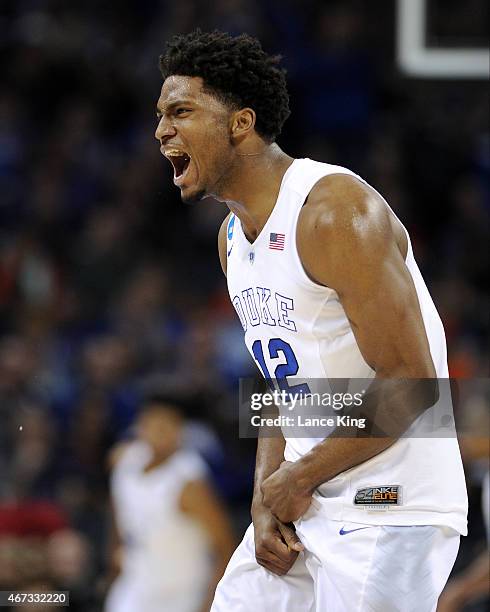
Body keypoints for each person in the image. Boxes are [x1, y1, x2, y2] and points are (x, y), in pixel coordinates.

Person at [155, 30, 468, 612]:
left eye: (180, 111)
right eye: (160, 115)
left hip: (389, 503)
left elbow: (412, 384)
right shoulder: (231, 240)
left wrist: (296, 480)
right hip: (306, 501)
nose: (161, 132)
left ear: (240, 123)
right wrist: (264, 495)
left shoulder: (334, 212)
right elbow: (281, 388)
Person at [104, 394, 235, 612]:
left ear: (180, 431)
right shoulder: (124, 461)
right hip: (135, 586)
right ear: (140, 427)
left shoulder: (189, 483)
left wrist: (210, 603)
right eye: (153, 424)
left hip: (180, 595)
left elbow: (225, 547)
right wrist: (115, 554)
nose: (159, 432)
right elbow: (120, 510)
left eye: (167, 426)